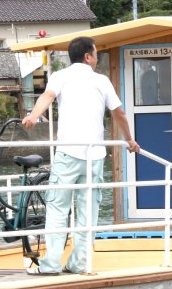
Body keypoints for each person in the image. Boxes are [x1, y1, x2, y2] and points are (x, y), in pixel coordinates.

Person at [21, 36, 140, 275]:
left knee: (57, 209)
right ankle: (78, 264)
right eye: (95, 55)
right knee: (88, 213)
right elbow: (120, 114)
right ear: (87, 56)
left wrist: (33, 117)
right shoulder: (101, 81)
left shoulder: (60, 76)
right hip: (94, 156)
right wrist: (129, 140)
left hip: (67, 153)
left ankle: (51, 265)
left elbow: (47, 97)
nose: (97, 59)